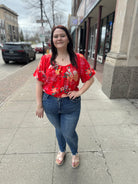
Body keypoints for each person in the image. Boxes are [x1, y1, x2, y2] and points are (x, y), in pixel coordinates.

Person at [33, 25, 95, 168]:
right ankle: (62, 150)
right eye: (55, 36)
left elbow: (90, 78)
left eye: (62, 35)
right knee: (59, 129)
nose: (59, 38)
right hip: (49, 102)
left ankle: (74, 152)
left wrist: (79, 92)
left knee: (68, 131)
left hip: (70, 104)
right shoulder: (45, 59)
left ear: (68, 39)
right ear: (52, 40)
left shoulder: (78, 59)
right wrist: (39, 105)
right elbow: (39, 83)